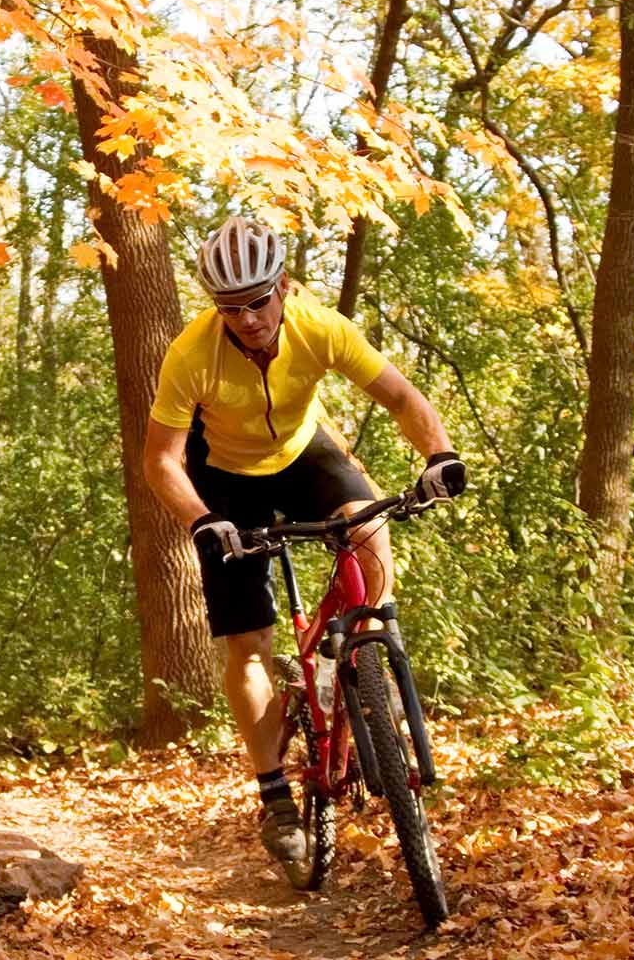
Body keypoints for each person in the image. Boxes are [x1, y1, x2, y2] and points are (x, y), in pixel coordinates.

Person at [142, 217, 464, 886]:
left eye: (258, 301)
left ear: (283, 287)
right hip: (224, 476)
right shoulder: (191, 354)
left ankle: (365, 653)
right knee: (248, 642)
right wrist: (202, 520)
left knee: (370, 524)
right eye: (230, 308)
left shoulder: (322, 329)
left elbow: (401, 396)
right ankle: (275, 798)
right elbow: (162, 462)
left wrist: (439, 455)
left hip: (301, 452)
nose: (247, 318)